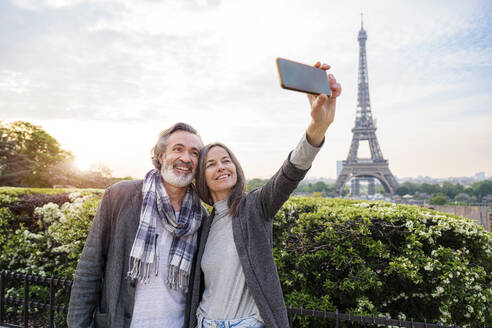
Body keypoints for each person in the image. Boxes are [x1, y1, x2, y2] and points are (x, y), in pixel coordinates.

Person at [186, 63, 342, 328]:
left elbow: (290, 173)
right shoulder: (204, 223)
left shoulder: (254, 207)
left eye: (226, 160)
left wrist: (317, 126)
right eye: (211, 164)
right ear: (201, 176)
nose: (221, 166)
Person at [68, 122, 207, 328]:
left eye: (194, 153)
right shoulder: (120, 196)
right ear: (161, 156)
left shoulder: (200, 215)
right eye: (178, 149)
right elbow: (90, 268)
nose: (186, 158)